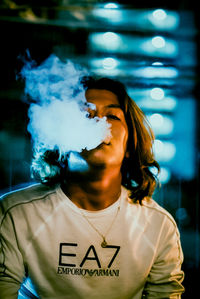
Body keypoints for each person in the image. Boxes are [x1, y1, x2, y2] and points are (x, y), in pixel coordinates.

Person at [0, 76, 184, 299]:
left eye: (112, 116)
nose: (99, 122)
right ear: (60, 139)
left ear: (129, 145)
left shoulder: (158, 226)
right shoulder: (15, 214)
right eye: (86, 114)